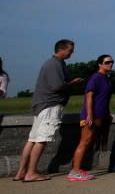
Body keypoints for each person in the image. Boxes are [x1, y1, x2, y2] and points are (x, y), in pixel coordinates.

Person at [14, 39, 85, 182]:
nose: (72, 53)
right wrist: (73, 83)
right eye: (70, 50)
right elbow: (56, 86)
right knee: (42, 139)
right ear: (61, 49)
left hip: (42, 105)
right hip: (50, 106)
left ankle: (21, 172)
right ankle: (31, 173)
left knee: (32, 139)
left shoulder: (52, 63)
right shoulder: (55, 64)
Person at [68, 54, 115, 181]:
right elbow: (89, 97)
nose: (110, 64)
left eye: (112, 62)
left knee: (89, 142)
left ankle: (77, 170)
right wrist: (89, 114)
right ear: (100, 64)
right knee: (85, 142)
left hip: (100, 115)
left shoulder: (106, 78)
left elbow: (104, 99)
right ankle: (75, 171)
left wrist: (108, 113)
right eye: (107, 62)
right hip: (92, 116)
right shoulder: (96, 78)